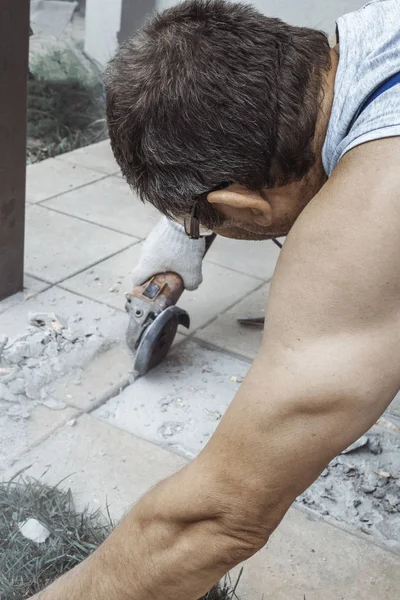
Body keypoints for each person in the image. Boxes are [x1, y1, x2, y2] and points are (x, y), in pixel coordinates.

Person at [33, 1, 400, 598]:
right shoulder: (362, 41)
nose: (201, 235)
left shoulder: (374, 209)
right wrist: (181, 239)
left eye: (208, 226)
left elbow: (214, 520)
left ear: (243, 210)